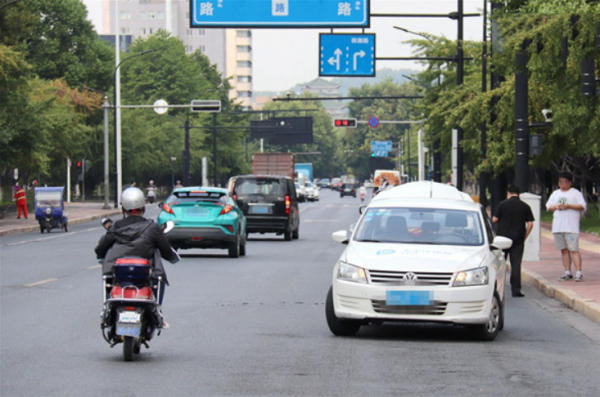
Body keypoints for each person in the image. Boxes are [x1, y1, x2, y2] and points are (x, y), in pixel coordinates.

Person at [95, 187, 179, 327]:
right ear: (143, 207)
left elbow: (100, 248)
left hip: (117, 272)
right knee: (159, 279)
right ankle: (158, 311)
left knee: (109, 281)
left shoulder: (115, 227)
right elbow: (166, 251)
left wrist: (101, 255)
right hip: (145, 272)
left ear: (124, 208)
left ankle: (107, 311)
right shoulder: (152, 228)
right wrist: (171, 257)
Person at [492, 185, 534, 297]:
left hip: (503, 238)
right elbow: (530, 223)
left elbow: (494, 219)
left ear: (508, 193)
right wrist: (525, 235)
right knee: (516, 264)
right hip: (518, 238)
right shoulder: (525, 206)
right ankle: (516, 290)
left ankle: (497, 288)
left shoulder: (503, 204)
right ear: (518, 194)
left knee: (500, 264)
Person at [546, 172, 587, 282]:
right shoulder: (555, 194)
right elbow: (548, 207)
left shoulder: (575, 193)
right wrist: (556, 206)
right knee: (564, 250)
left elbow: (582, 206)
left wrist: (569, 206)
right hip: (558, 227)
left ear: (570, 182)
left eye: (564, 182)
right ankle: (567, 271)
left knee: (573, 249)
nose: (562, 184)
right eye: (560, 182)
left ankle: (578, 272)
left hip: (571, 227)